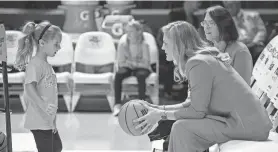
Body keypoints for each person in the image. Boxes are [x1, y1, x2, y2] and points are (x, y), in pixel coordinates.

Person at [134, 21, 272, 152]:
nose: (162, 47)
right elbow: (191, 104)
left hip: (247, 125)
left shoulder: (198, 63)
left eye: (165, 43)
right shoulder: (200, 59)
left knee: (182, 128)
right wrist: (157, 109)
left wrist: (161, 115)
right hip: (244, 121)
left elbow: (196, 111)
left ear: (178, 44)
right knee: (179, 126)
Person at [14, 21, 63, 152]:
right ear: (42, 43)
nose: (59, 47)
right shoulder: (35, 65)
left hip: (47, 121)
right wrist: (44, 105)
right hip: (39, 120)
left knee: (57, 147)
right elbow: (29, 89)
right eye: (56, 44)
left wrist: (53, 121)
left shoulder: (47, 66)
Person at [202, 5, 253, 85]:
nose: (206, 27)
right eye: (205, 23)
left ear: (223, 25)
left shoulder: (240, 51)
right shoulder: (206, 50)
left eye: (211, 23)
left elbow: (242, 87)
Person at [113, 20, 151, 116]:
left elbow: (146, 63)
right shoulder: (123, 45)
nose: (128, 34)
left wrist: (135, 64)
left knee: (141, 75)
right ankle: (117, 104)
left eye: (131, 31)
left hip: (141, 67)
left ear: (138, 32)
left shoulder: (144, 45)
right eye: (127, 31)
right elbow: (121, 62)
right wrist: (130, 64)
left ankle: (141, 105)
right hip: (128, 66)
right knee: (119, 74)